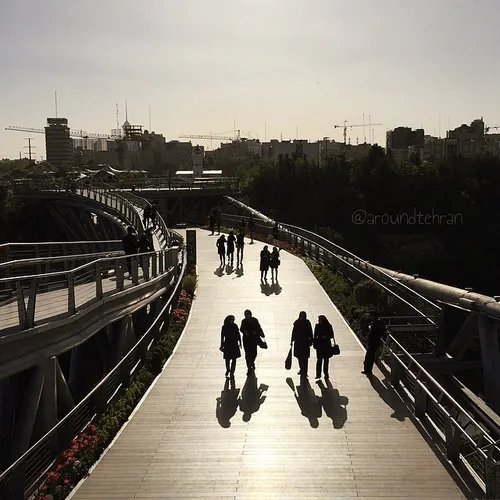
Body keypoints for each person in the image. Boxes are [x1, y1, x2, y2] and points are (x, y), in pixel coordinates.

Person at [240, 309, 265, 376]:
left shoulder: (254, 320)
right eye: (246, 314)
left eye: (248, 314)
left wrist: (256, 332)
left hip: (254, 339)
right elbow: (241, 329)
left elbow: (258, 327)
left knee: (254, 353)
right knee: (247, 354)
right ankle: (249, 367)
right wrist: (244, 332)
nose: (247, 315)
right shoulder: (243, 321)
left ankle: (252, 362)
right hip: (246, 339)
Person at [362, 311, 387, 376]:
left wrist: (367, 337)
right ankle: (368, 370)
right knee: (371, 356)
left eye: (371, 316)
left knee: (369, 356)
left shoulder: (375, 323)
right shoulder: (380, 322)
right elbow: (384, 330)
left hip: (373, 342)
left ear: (373, 316)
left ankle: (368, 370)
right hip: (376, 342)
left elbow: (372, 332)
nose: (370, 317)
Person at [291, 311, 313, 378]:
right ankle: (302, 369)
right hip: (298, 343)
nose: (302, 317)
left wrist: (311, 340)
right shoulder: (297, 323)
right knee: (299, 358)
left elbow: (310, 332)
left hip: (305, 343)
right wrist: (292, 340)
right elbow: (294, 332)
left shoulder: (307, 323)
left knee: (305, 358)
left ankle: (305, 371)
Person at [314, 315, 334, 379]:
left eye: (319, 319)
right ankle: (318, 374)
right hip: (319, 346)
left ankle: (326, 373)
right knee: (319, 360)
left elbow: (331, 335)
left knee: (326, 360)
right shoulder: (317, 326)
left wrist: (326, 336)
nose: (318, 321)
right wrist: (314, 343)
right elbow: (315, 335)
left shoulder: (328, 326)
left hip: (326, 346)